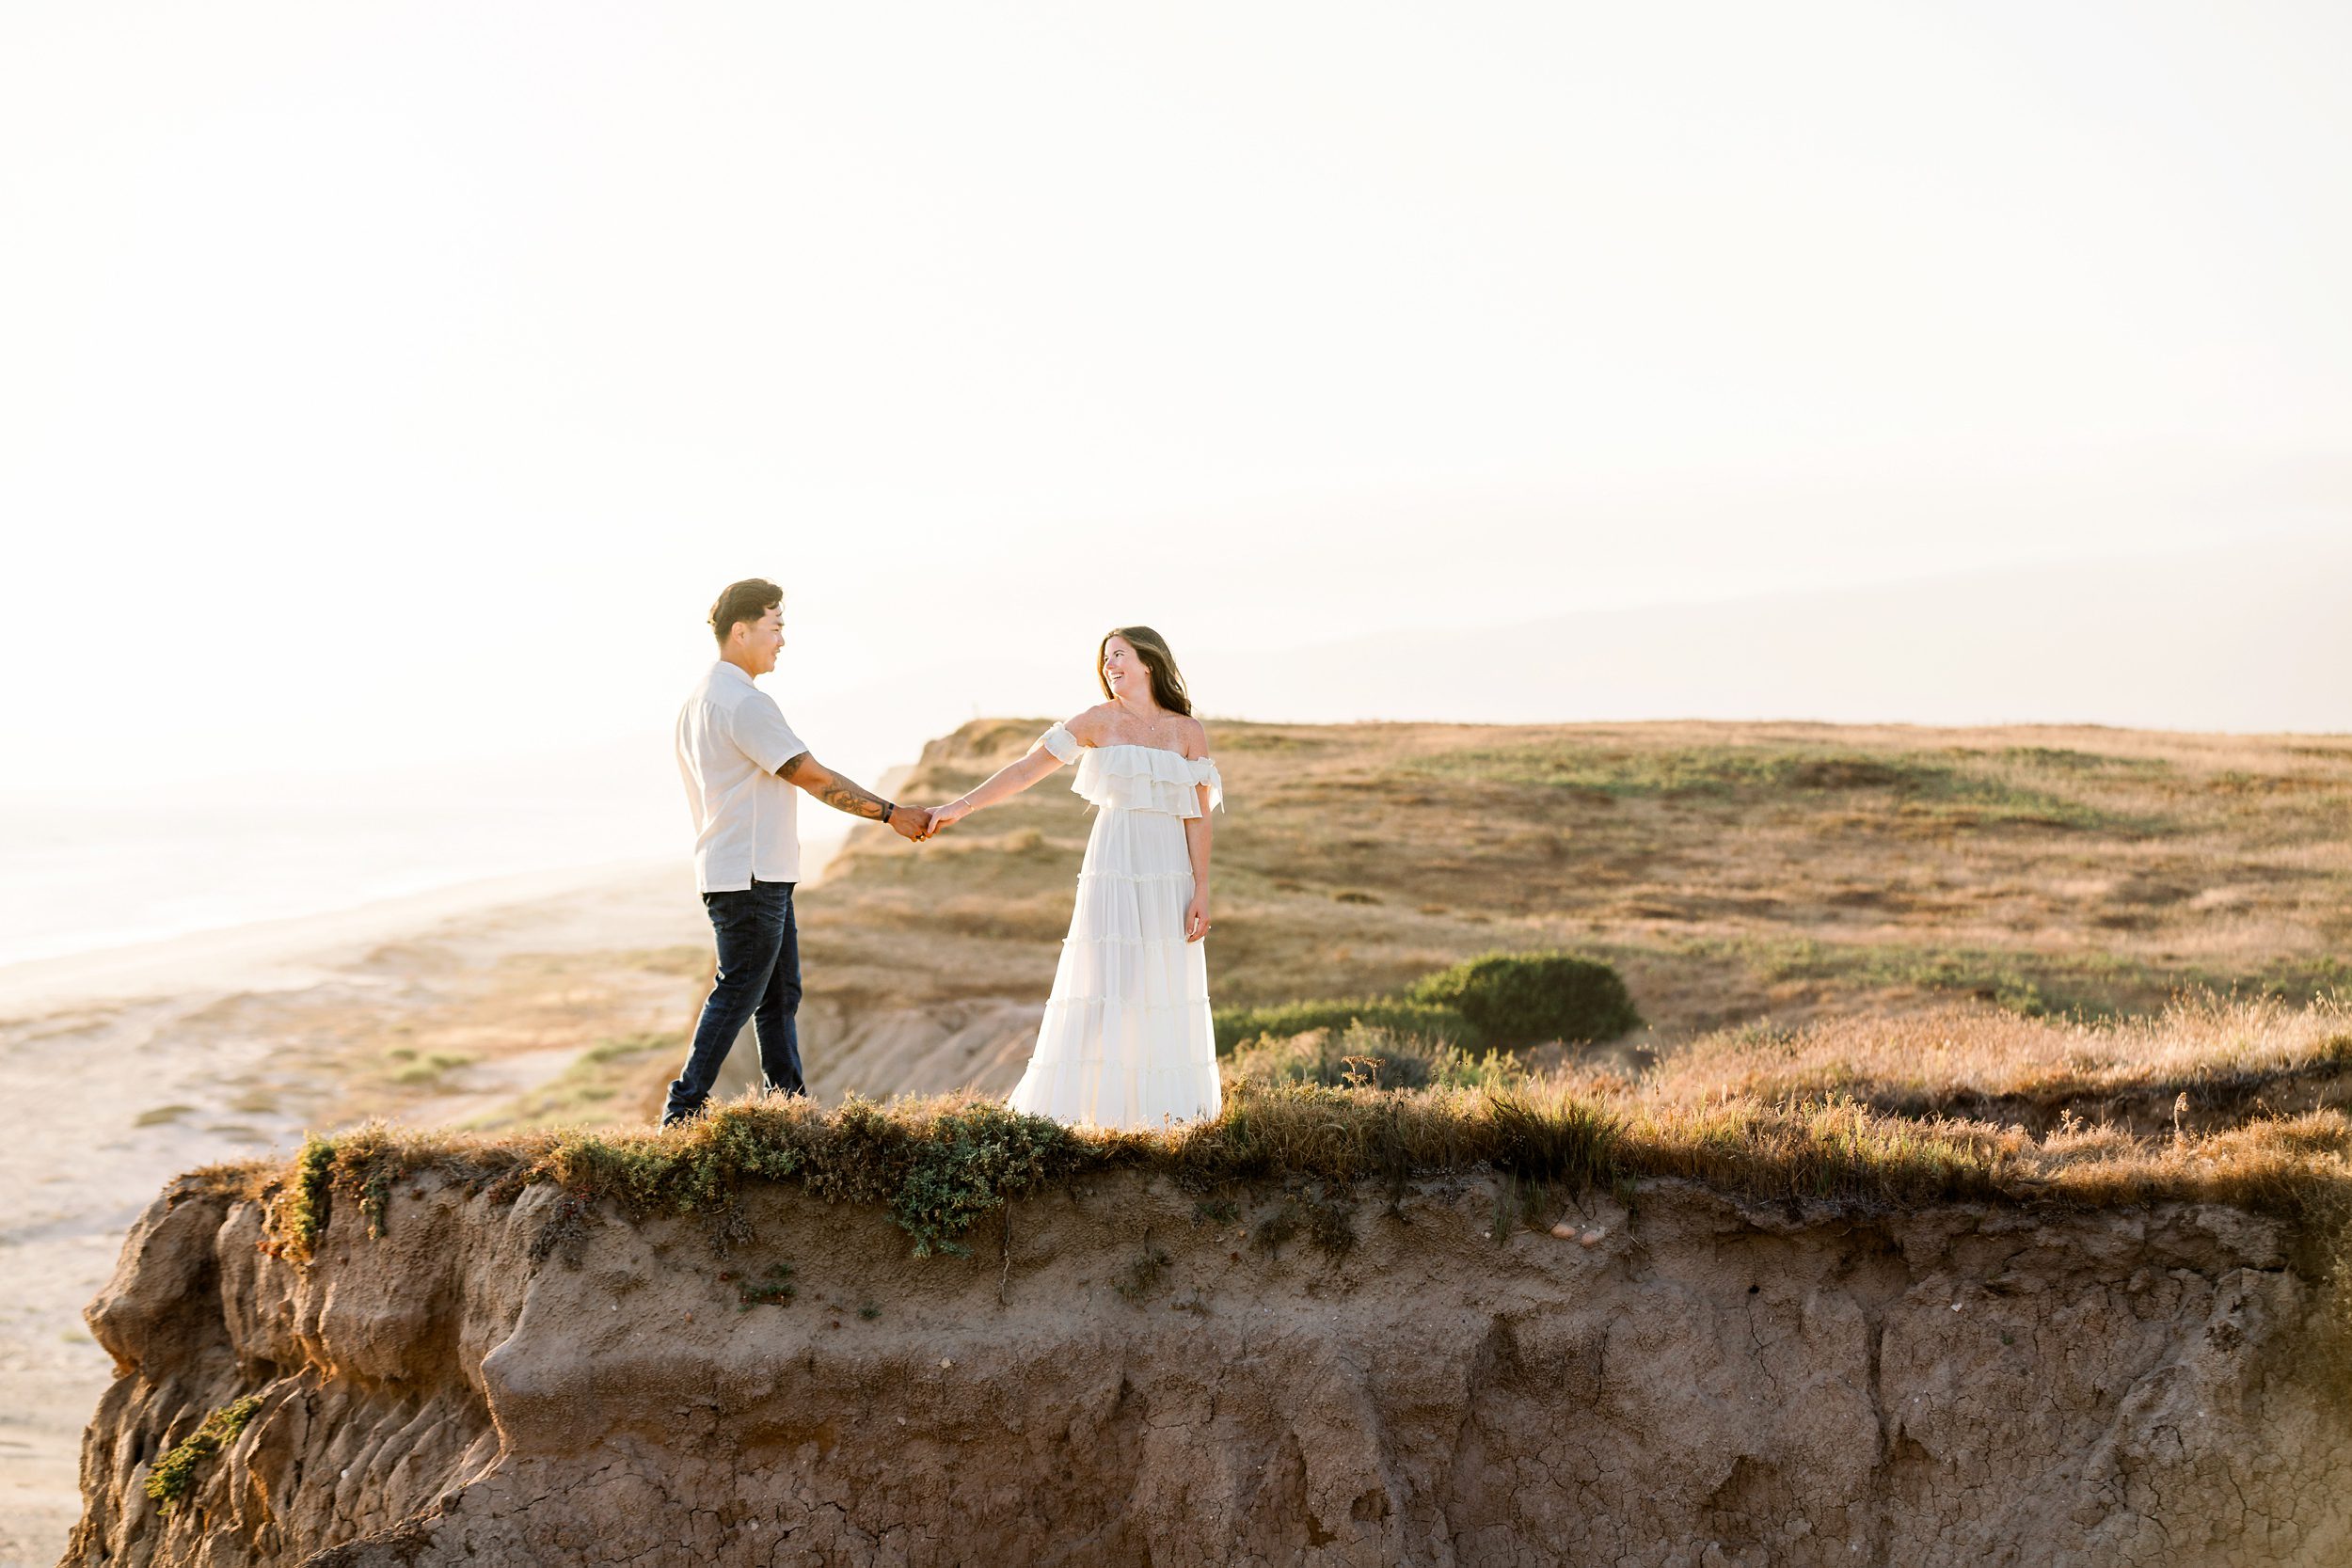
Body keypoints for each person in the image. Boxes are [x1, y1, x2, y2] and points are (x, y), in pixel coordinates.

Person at [924, 626, 1223, 1131]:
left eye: (1120, 656)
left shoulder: (1186, 732)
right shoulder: (1094, 722)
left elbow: (1199, 818)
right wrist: (958, 807)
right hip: (1114, 861)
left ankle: (1162, 1116)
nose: (1110, 666)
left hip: (1168, 869)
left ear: (1148, 663)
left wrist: (1201, 889)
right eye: (1106, 659)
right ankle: (1083, 1112)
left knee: (1162, 980)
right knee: (1107, 979)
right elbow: (1024, 770)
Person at [663, 578, 931, 1126]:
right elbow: (811, 776)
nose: (782, 640)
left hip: (747, 869)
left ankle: (789, 1106)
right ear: (741, 632)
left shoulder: (699, 699)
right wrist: (891, 813)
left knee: (780, 994)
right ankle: (682, 1110)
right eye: (775, 627)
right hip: (750, 874)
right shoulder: (744, 704)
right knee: (739, 992)